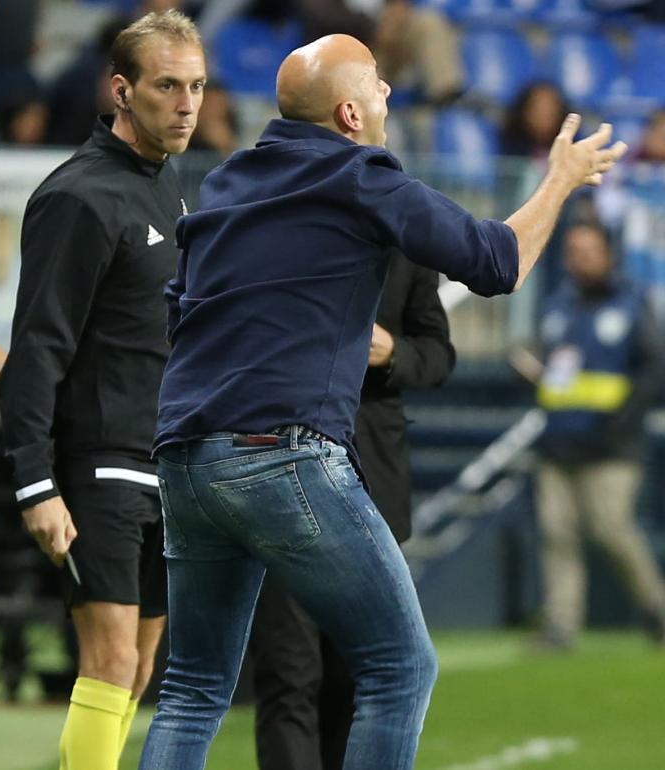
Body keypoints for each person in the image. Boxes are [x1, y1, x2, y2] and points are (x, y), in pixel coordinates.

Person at [137, 33, 626, 770]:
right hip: (283, 455)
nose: (389, 93)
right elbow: (498, 262)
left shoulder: (229, 181)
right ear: (348, 114)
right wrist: (558, 179)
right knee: (401, 668)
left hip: (185, 456)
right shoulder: (361, 174)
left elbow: (179, 310)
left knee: (195, 685)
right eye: (376, 83)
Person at [0, 9, 206, 770]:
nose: (186, 104)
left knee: (139, 670)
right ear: (122, 90)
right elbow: (37, 346)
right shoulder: (78, 197)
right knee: (110, 663)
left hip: (161, 463)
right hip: (99, 467)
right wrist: (33, 482)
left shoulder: (165, 182)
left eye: (197, 87)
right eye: (167, 87)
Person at [248, 252, 455, 770]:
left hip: (371, 481)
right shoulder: (275, 226)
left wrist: (392, 353)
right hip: (279, 470)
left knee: (359, 671)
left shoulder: (404, 244)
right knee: (287, 671)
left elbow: (438, 354)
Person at [530, 222, 665, 649]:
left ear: (609, 253)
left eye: (589, 250)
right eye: (572, 251)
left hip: (612, 444)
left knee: (612, 530)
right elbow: (555, 369)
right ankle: (560, 625)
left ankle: (656, 609)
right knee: (556, 533)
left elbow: (653, 368)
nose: (580, 258)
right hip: (559, 439)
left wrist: (622, 421)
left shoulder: (632, 304)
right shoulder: (558, 307)